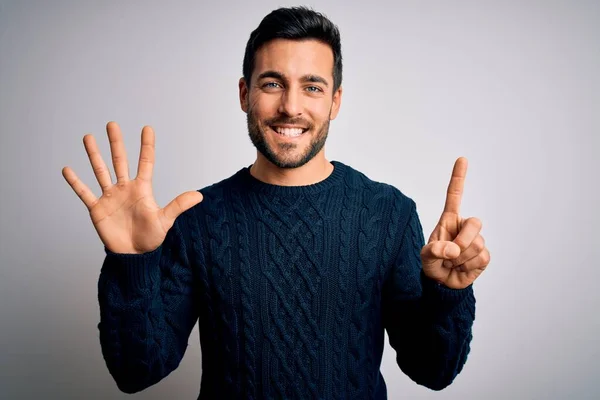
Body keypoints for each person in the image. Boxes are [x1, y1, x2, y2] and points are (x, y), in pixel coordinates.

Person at [62, 6, 490, 399]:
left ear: (335, 101)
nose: (291, 106)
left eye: (312, 87)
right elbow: (137, 372)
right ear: (245, 93)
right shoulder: (198, 218)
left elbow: (433, 371)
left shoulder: (388, 213)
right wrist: (131, 263)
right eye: (272, 84)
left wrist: (449, 294)